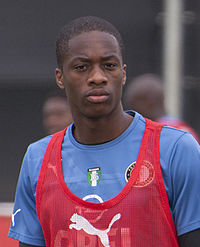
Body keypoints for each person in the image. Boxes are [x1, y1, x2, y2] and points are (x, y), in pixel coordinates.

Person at [8, 16, 200, 247]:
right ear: (60, 77)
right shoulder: (37, 160)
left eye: (109, 65)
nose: (97, 77)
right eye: (81, 67)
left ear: (124, 73)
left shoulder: (176, 149)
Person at [123, 73, 200, 143]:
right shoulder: (184, 132)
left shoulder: (160, 135)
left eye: (132, 105)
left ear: (148, 102)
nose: (130, 113)